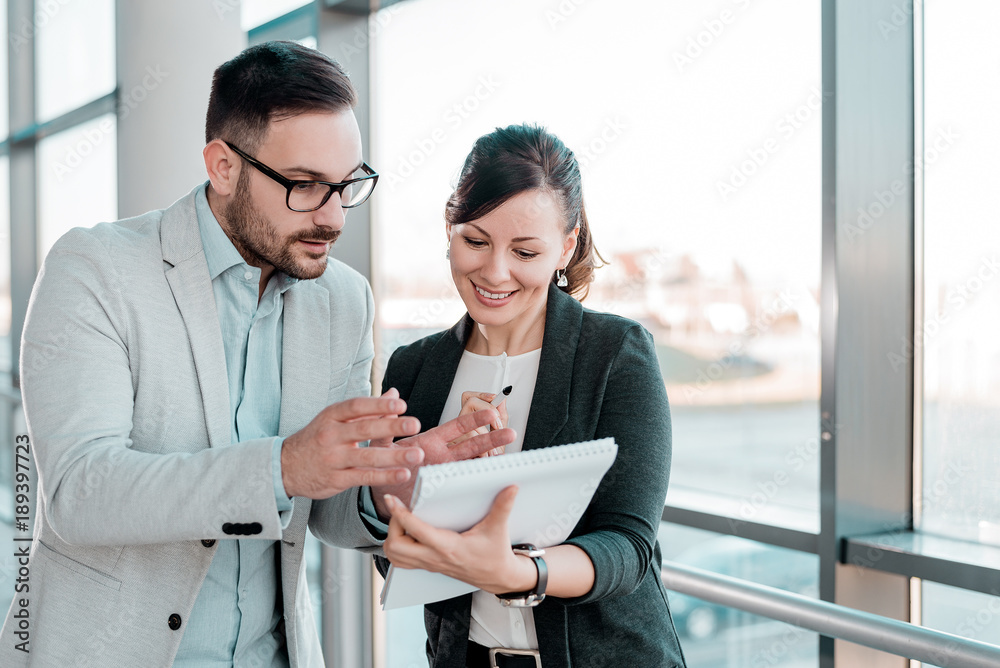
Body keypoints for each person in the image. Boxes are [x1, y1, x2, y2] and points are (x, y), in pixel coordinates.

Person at [0, 41, 511, 667]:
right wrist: (284, 467)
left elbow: (329, 518)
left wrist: (394, 480)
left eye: (346, 186)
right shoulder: (96, 269)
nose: (332, 218)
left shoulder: (343, 300)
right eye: (304, 186)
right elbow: (80, 493)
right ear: (223, 166)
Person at [374, 124, 687, 668]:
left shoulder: (615, 354)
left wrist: (520, 573)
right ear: (450, 230)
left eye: (524, 251)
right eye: (474, 241)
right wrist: (390, 508)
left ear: (566, 247)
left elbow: (628, 546)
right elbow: (397, 552)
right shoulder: (415, 368)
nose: (494, 273)